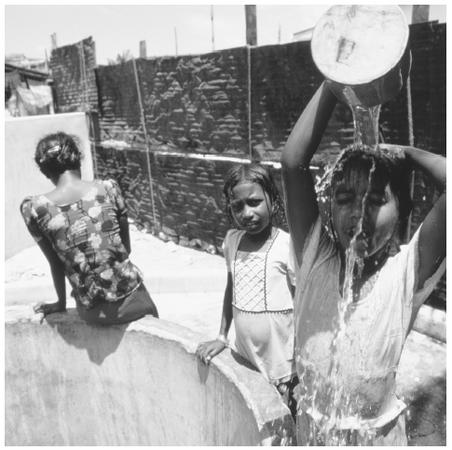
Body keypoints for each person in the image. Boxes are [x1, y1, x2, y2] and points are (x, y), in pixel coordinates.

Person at [281, 82, 446, 445]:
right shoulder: (315, 257)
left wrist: (405, 154)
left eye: (375, 200)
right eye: (344, 198)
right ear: (329, 208)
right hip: (314, 434)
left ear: (402, 210)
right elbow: (293, 163)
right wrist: (332, 81)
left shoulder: (406, 272)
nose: (358, 213)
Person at [20, 132, 159, 325]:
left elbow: (55, 263)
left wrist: (60, 303)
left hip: (92, 313)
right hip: (134, 304)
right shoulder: (108, 188)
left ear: (45, 172)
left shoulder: (34, 208)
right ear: (78, 159)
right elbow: (125, 248)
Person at [196, 163, 298, 418]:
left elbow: (303, 301)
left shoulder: (287, 245)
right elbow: (231, 289)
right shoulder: (232, 241)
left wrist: (305, 360)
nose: (247, 213)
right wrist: (221, 337)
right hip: (245, 358)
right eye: (237, 206)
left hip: (282, 366)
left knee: (285, 424)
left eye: (254, 202)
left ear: (272, 201)